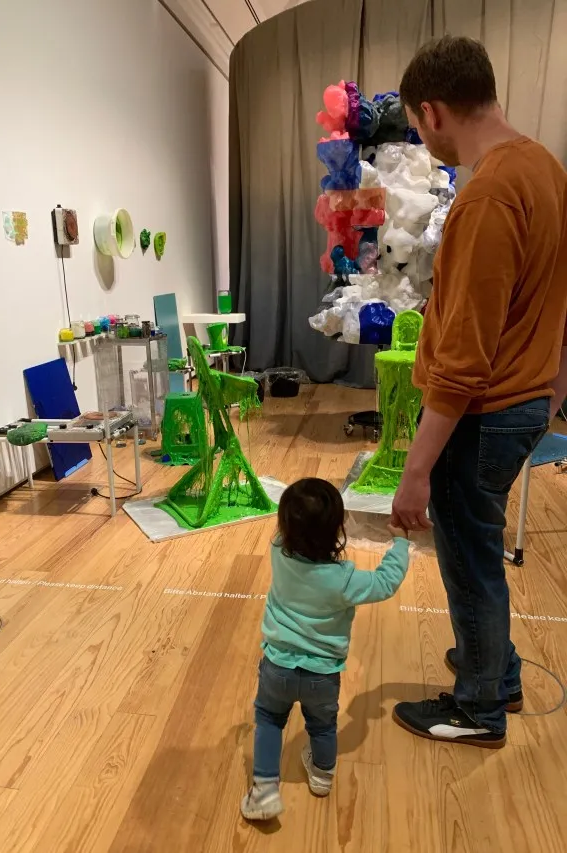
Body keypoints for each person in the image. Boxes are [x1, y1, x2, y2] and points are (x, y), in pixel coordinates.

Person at [390, 35, 567, 748]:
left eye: (415, 125)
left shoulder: (487, 194)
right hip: (523, 400)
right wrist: (553, 391)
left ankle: (478, 709)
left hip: (487, 411)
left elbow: (462, 360)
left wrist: (414, 471)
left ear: (432, 112)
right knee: (480, 552)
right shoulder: (544, 168)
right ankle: (498, 674)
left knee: (468, 562)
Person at [241, 478, 410, 821]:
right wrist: (401, 543)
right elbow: (385, 582)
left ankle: (264, 791)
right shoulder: (345, 580)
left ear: (284, 526)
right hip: (323, 674)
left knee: (270, 720)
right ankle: (321, 776)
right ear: (337, 529)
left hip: (277, 666)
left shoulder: (278, 552)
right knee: (322, 726)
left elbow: (289, 529)